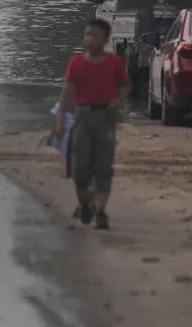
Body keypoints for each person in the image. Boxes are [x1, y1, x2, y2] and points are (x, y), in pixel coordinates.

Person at [50, 19, 130, 230]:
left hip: (106, 117)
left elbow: (125, 85)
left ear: (105, 39)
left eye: (94, 35)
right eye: (87, 34)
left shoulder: (115, 62)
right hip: (82, 117)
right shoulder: (75, 63)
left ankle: (101, 212)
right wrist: (59, 121)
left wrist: (119, 99)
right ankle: (85, 202)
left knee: (103, 165)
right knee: (80, 167)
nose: (89, 39)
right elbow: (66, 93)